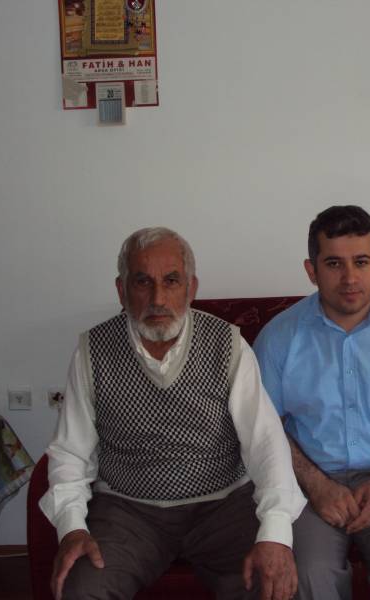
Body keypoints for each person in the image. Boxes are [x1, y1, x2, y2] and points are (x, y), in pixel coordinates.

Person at [39, 227, 306, 600]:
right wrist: (71, 528)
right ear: (121, 290)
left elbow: (265, 442)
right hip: (128, 511)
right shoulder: (92, 351)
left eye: (171, 281)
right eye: (142, 282)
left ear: (191, 288)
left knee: (272, 587)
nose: (158, 298)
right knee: (81, 590)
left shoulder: (227, 345)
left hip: (223, 507)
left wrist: (275, 533)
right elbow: (71, 450)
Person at [253, 205, 370, 600]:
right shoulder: (279, 337)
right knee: (308, 571)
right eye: (334, 263)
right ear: (312, 270)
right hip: (306, 485)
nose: (350, 277)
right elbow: (264, 426)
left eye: (361, 262)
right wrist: (317, 485)